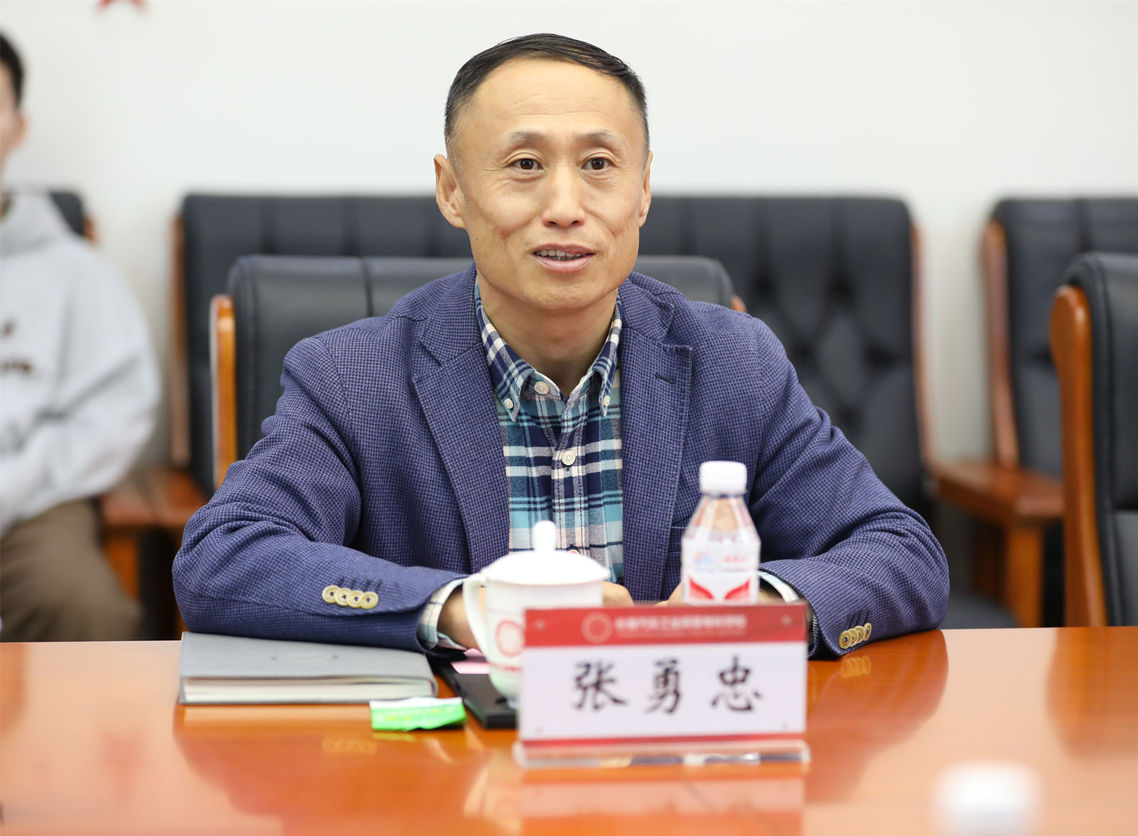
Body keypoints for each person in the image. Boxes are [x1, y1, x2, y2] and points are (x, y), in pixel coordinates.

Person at [174, 33, 948, 657]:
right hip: (450, 777)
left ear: (643, 188)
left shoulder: (731, 362)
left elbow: (898, 548)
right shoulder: (351, 377)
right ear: (452, 189)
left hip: (669, 764)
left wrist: (765, 603)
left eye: (599, 165)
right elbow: (224, 556)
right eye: (524, 165)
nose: (566, 206)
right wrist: (459, 608)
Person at [0, 32, 159, 640]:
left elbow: (114, 412)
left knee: (83, 606)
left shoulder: (76, 272)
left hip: (31, 506)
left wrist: (18, 482)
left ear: (18, 127)